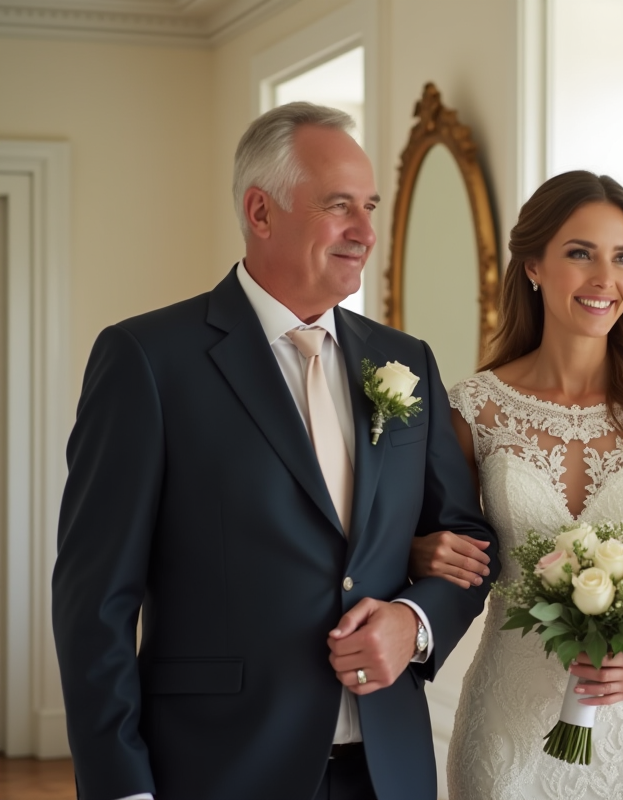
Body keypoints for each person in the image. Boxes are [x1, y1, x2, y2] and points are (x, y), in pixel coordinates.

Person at [51, 102, 497, 800]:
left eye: (371, 207)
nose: (365, 232)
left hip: (388, 770)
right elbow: (94, 601)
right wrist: (120, 788)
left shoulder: (405, 360)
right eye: (339, 206)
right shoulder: (148, 360)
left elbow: (465, 541)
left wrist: (413, 625)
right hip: (218, 769)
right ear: (261, 212)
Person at [407, 171, 623, 799]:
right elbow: (442, 551)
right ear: (533, 266)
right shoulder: (473, 410)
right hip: (507, 726)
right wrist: (419, 552)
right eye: (581, 253)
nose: (606, 279)